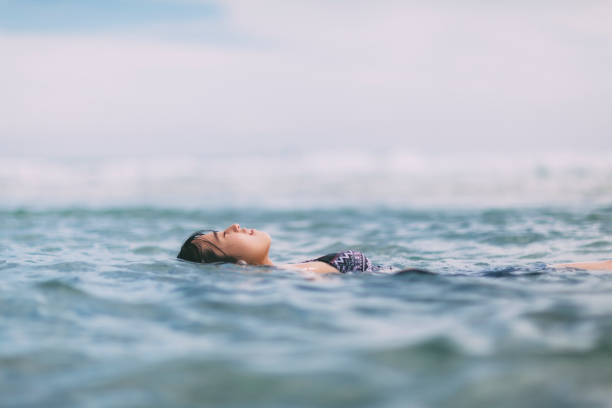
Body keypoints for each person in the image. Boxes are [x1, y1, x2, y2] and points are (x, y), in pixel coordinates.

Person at [177, 223, 612, 274]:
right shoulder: (284, 281)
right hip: (438, 287)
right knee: (548, 270)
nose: (233, 225)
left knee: (545, 267)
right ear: (233, 264)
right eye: (221, 236)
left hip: (433, 280)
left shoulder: (286, 271)